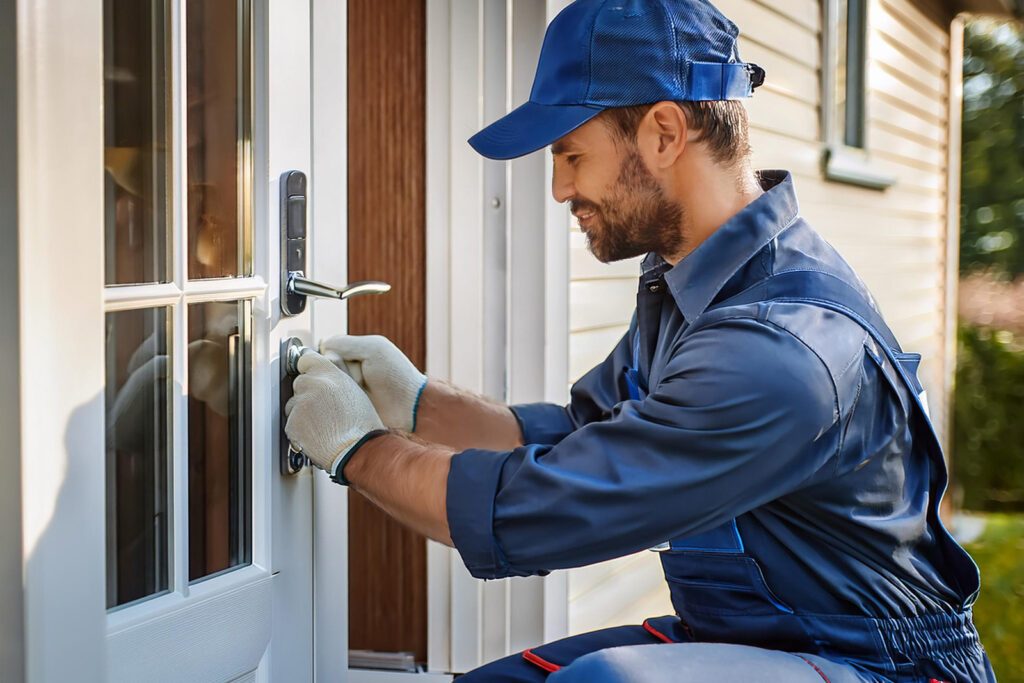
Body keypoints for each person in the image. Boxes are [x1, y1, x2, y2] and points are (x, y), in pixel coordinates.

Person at [284, 0, 995, 680]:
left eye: (571, 155)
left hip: (881, 663)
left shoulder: (778, 350)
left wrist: (359, 448)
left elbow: (536, 511)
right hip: (765, 638)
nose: (560, 189)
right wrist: (413, 402)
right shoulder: (695, 280)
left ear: (662, 132)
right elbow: (582, 435)